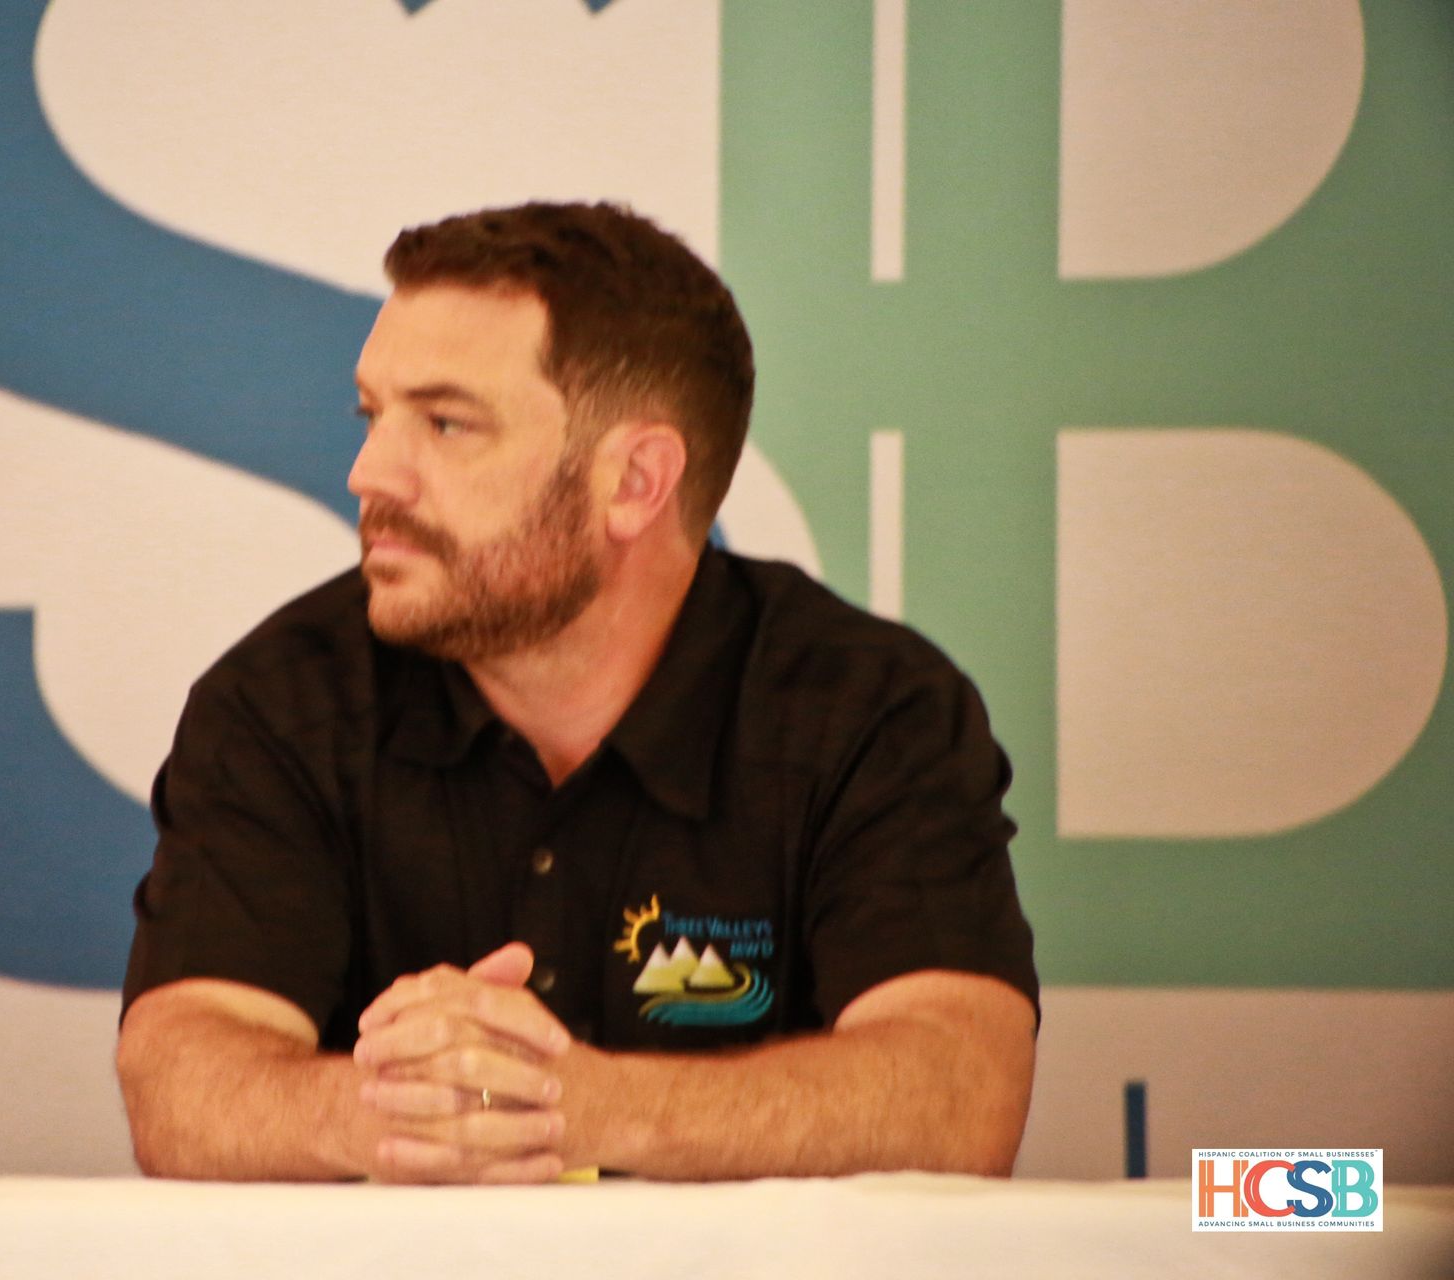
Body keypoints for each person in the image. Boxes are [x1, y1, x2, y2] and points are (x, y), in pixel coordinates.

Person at [117, 201, 1037, 1184]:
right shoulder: (281, 699)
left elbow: (961, 1091)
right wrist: (394, 1108)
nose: (368, 472)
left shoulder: (868, 710)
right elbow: (180, 1081)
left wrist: (585, 1107)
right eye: (370, 414)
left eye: (444, 422)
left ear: (636, 481)